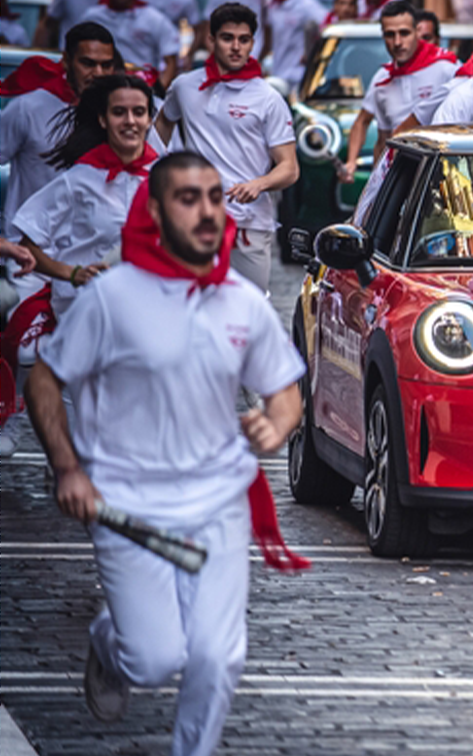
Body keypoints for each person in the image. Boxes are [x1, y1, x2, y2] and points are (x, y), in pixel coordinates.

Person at [24, 150, 308, 756]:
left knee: (216, 655)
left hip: (217, 501)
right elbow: (44, 378)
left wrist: (275, 426)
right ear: (155, 210)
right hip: (126, 502)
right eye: (188, 198)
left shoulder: (240, 300)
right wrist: (68, 467)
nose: (207, 212)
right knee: (154, 659)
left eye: (212, 197)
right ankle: (110, 645)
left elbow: (285, 391)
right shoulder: (113, 298)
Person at [157, 3, 300, 296]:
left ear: (253, 42)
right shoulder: (184, 86)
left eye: (244, 39)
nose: (236, 47)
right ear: (211, 40)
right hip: (191, 218)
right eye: (227, 38)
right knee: (188, 301)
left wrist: (259, 184)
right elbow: (160, 128)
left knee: (248, 307)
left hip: (248, 223)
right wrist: (159, 175)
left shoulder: (269, 98)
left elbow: (289, 167)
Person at [7, 74, 157, 318]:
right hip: (83, 310)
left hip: (145, 309)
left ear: (149, 120)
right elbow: (25, 244)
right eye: (119, 112)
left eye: (138, 112)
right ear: (103, 120)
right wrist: (72, 273)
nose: (130, 121)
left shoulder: (167, 177)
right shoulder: (79, 177)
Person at [0, 22, 119, 234]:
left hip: (94, 251)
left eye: (106, 65)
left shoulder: (123, 114)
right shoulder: (27, 108)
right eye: (88, 63)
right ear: (66, 61)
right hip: (28, 251)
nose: (98, 73)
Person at [341, 1, 457, 183]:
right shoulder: (382, 79)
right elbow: (382, 139)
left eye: (404, 33)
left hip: (442, 174)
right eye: (390, 35)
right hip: (401, 177)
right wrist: (371, 180)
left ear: (416, 33)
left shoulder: (447, 69)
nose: (397, 42)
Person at [74, 0, 179, 86]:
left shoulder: (154, 19)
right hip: (100, 83)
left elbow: (170, 62)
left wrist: (155, 93)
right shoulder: (92, 16)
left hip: (142, 85)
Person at [264, 0, 328, 93]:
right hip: (277, 74)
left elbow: (328, 24)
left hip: (299, 76)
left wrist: (312, 53)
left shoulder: (306, 5)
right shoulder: (271, 6)